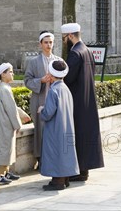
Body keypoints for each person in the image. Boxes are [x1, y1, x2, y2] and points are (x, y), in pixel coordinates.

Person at [61, 22, 105, 182]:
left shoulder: (75, 54)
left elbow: (68, 77)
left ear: (70, 36)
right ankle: (84, 171)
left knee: (78, 135)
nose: (64, 41)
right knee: (85, 134)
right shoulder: (86, 51)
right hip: (88, 100)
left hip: (77, 101)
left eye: (64, 38)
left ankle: (79, 171)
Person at [39, 59, 80, 191]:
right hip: (67, 125)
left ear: (51, 74)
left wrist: (42, 111)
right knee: (65, 152)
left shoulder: (53, 90)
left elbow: (49, 112)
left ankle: (58, 181)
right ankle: (65, 178)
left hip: (55, 128)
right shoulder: (65, 88)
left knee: (54, 152)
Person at [24, 31, 61, 169]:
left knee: (54, 129)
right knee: (40, 129)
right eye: (46, 42)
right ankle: (41, 159)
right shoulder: (34, 62)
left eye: (50, 42)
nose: (48, 45)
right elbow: (27, 81)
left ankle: (55, 157)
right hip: (40, 99)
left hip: (55, 100)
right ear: (40, 44)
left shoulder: (58, 61)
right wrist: (41, 80)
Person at [0, 62, 31, 184]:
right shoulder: (4, 89)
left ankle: (5, 172)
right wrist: (18, 124)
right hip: (4, 125)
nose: (13, 74)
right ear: (3, 75)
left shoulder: (5, 88)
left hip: (6, 124)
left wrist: (23, 115)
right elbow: (11, 110)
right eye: (10, 72)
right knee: (4, 148)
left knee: (7, 148)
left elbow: (12, 107)